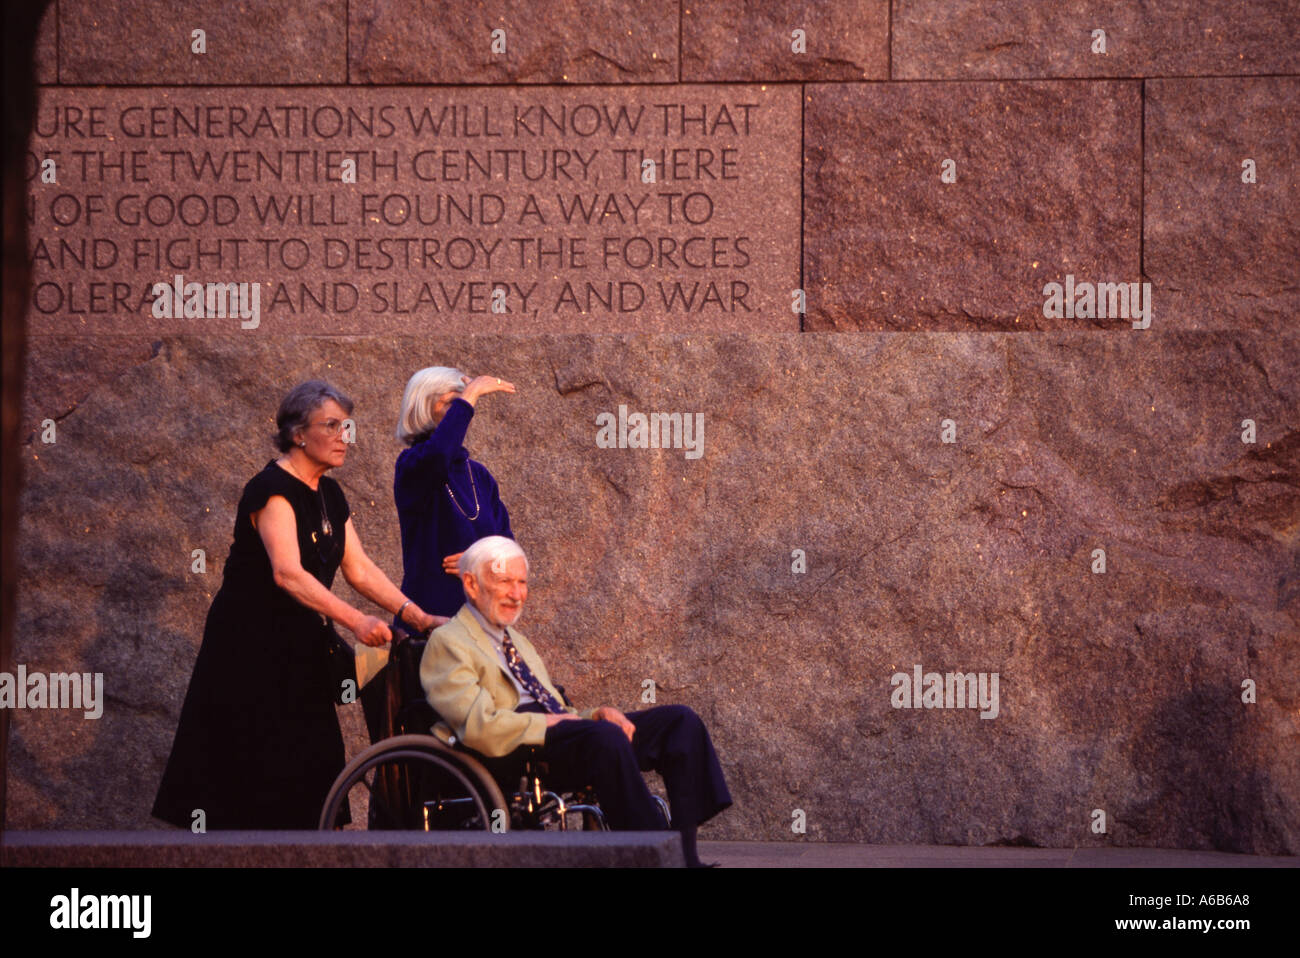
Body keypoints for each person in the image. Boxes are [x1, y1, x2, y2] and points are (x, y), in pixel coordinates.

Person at [152, 380, 438, 829]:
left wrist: (415, 615)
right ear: (297, 434)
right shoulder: (271, 489)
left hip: (301, 643)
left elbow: (358, 569)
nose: (346, 435)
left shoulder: (331, 494)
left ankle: (305, 846)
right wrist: (355, 620)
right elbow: (287, 573)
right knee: (247, 757)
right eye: (332, 425)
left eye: (347, 426)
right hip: (249, 646)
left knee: (313, 751)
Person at [420, 536, 732, 867]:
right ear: (471, 583)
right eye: (505, 582)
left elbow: (558, 710)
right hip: (511, 750)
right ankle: (655, 857)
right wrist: (552, 723)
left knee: (679, 723)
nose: (516, 594)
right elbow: (478, 726)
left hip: (559, 739)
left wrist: (594, 714)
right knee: (606, 739)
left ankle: (683, 854)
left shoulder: (517, 642)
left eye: (522, 582)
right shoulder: (448, 642)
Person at [360, 366, 516, 743]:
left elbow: (509, 549)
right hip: (431, 623)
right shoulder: (413, 466)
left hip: (483, 625)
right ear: (423, 406)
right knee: (439, 735)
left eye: (461, 404)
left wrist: (485, 560)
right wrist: (473, 394)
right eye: (453, 403)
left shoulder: (479, 476)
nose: (463, 411)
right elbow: (438, 455)